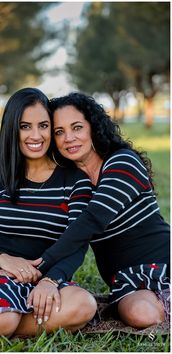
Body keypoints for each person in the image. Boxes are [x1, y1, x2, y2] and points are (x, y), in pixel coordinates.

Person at [0, 88, 97, 344]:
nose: (36, 135)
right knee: (4, 319)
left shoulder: (74, 181)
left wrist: (49, 280)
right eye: (25, 126)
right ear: (13, 129)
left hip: (41, 279)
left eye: (43, 125)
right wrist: (4, 260)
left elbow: (76, 245)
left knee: (83, 305)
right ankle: (2, 321)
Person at [37, 92, 170, 329]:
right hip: (128, 281)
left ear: (93, 128)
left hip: (165, 261)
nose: (69, 138)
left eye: (77, 127)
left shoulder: (122, 162)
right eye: (59, 132)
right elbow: (64, 235)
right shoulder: (72, 182)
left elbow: (93, 218)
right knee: (141, 315)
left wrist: (42, 262)